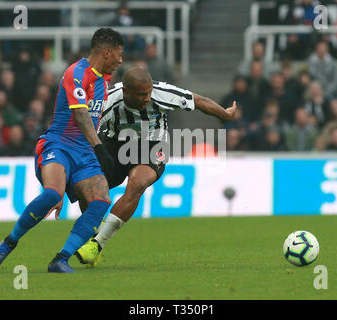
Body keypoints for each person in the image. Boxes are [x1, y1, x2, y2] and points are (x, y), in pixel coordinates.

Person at [0, 28, 125, 273]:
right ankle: (9, 242)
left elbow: (95, 117)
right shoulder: (77, 72)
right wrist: (100, 147)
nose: (120, 60)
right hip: (59, 145)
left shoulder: (105, 80)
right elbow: (81, 114)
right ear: (107, 52)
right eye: (119, 55)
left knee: (101, 201)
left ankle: (61, 259)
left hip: (84, 154)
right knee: (52, 194)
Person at [69, 66, 236, 267]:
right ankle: (90, 235)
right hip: (113, 145)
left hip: (152, 144)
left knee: (138, 183)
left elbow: (199, 101)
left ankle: (97, 244)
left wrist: (224, 115)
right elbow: (84, 123)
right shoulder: (109, 100)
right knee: (89, 188)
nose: (146, 98)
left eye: (148, 93)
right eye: (141, 95)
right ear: (126, 92)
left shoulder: (162, 94)